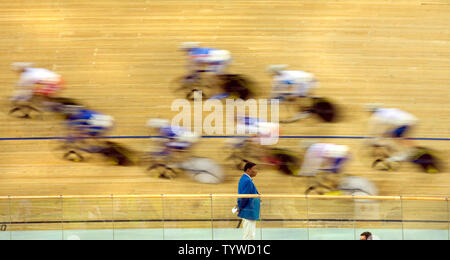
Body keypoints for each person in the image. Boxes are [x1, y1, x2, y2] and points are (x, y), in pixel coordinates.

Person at [236, 162, 260, 240]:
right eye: (255, 169)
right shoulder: (247, 181)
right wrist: (240, 207)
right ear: (248, 170)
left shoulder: (245, 179)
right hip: (249, 210)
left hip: (249, 210)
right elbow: (244, 197)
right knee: (249, 235)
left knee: (249, 234)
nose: (256, 171)